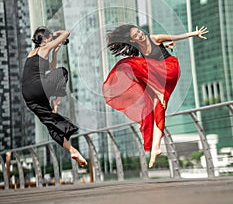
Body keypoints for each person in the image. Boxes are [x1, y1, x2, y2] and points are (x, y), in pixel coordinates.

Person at [102, 24, 208, 168]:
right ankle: (156, 148)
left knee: (128, 64)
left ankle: (159, 92)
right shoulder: (140, 49)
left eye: (139, 32)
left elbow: (177, 37)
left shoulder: (154, 38)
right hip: (158, 77)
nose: (140, 35)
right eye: (136, 35)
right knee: (157, 108)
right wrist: (167, 46)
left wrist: (194, 33)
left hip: (169, 69)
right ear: (133, 41)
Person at [22, 26, 87, 167]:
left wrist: (55, 53)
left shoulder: (32, 54)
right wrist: (56, 34)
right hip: (38, 86)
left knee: (50, 122)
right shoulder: (44, 47)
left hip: (28, 95)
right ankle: (56, 104)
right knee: (63, 72)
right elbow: (66, 33)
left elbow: (50, 68)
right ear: (44, 39)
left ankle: (72, 150)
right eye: (49, 37)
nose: (51, 40)